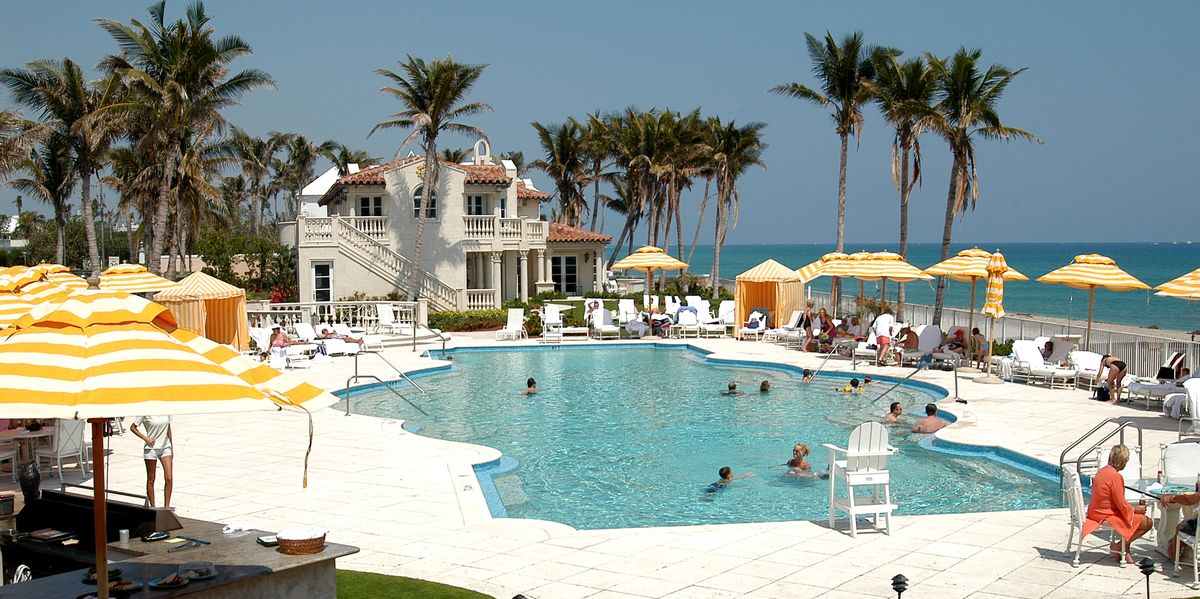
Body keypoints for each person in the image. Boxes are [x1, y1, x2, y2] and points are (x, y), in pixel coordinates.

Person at [1085, 444, 1153, 564]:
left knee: (1137, 518)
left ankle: (1124, 548)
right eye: (1126, 461)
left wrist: (1133, 510)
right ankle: (1119, 546)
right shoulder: (1115, 476)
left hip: (1096, 512)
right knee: (1147, 522)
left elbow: (1116, 501)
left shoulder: (1102, 471)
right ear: (1122, 461)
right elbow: (1121, 504)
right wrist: (1135, 510)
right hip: (1105, 515)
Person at [131, 415, 174, 509]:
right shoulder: (146, 413)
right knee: (151, 478)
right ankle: (152, 506)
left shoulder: (166, 412)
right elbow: (133, 428)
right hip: (151, 448)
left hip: (165, 447)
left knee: (169, 478)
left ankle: (167, 507)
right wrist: (146, 438)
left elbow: (168, 428)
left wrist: (172, 447)